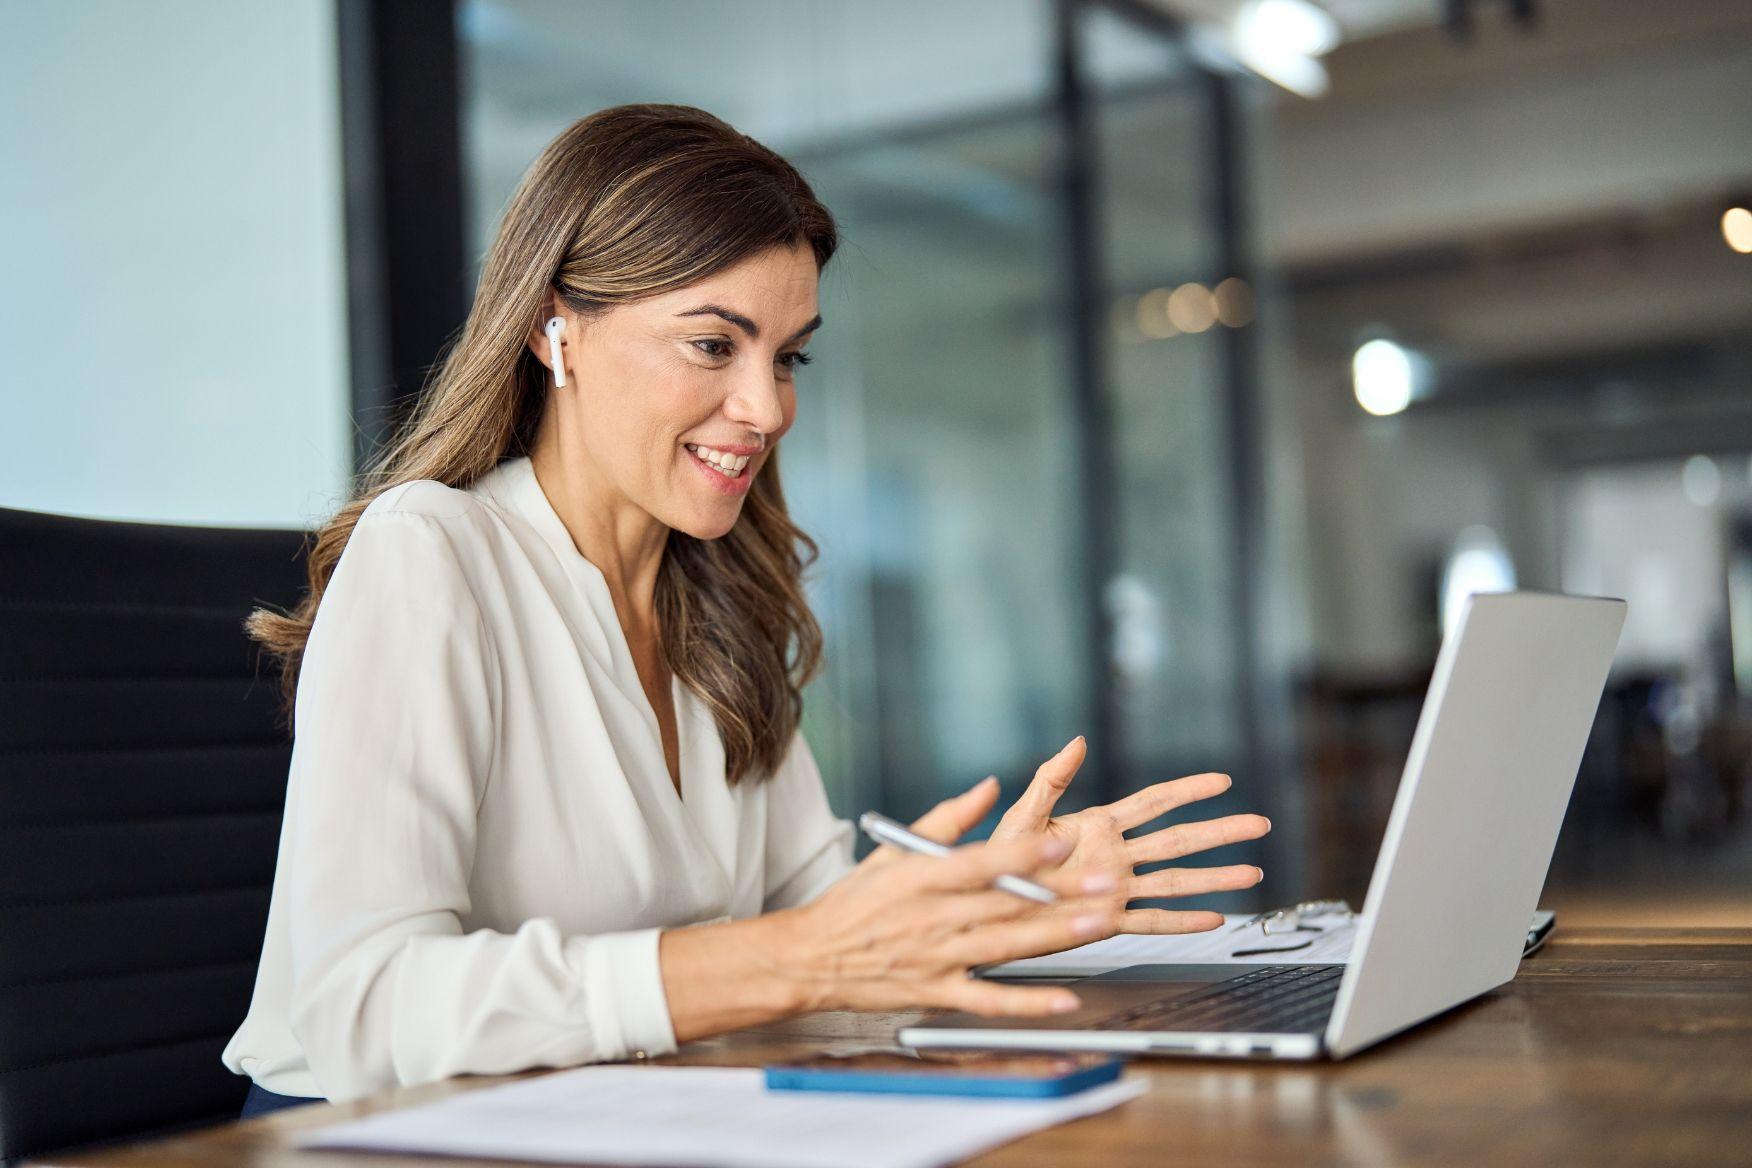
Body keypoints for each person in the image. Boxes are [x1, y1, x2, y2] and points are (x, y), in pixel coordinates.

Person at [222, 103, 1270, 1115]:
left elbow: (820, 928)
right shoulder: (432, 554)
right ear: (557, 331)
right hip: (367, 1138)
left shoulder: (717, 598)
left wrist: (1003, 901)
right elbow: (364, 1009)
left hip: (619, 1119)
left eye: (789, 355)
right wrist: (795, 961)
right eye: (714, 345)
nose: (768, 409)